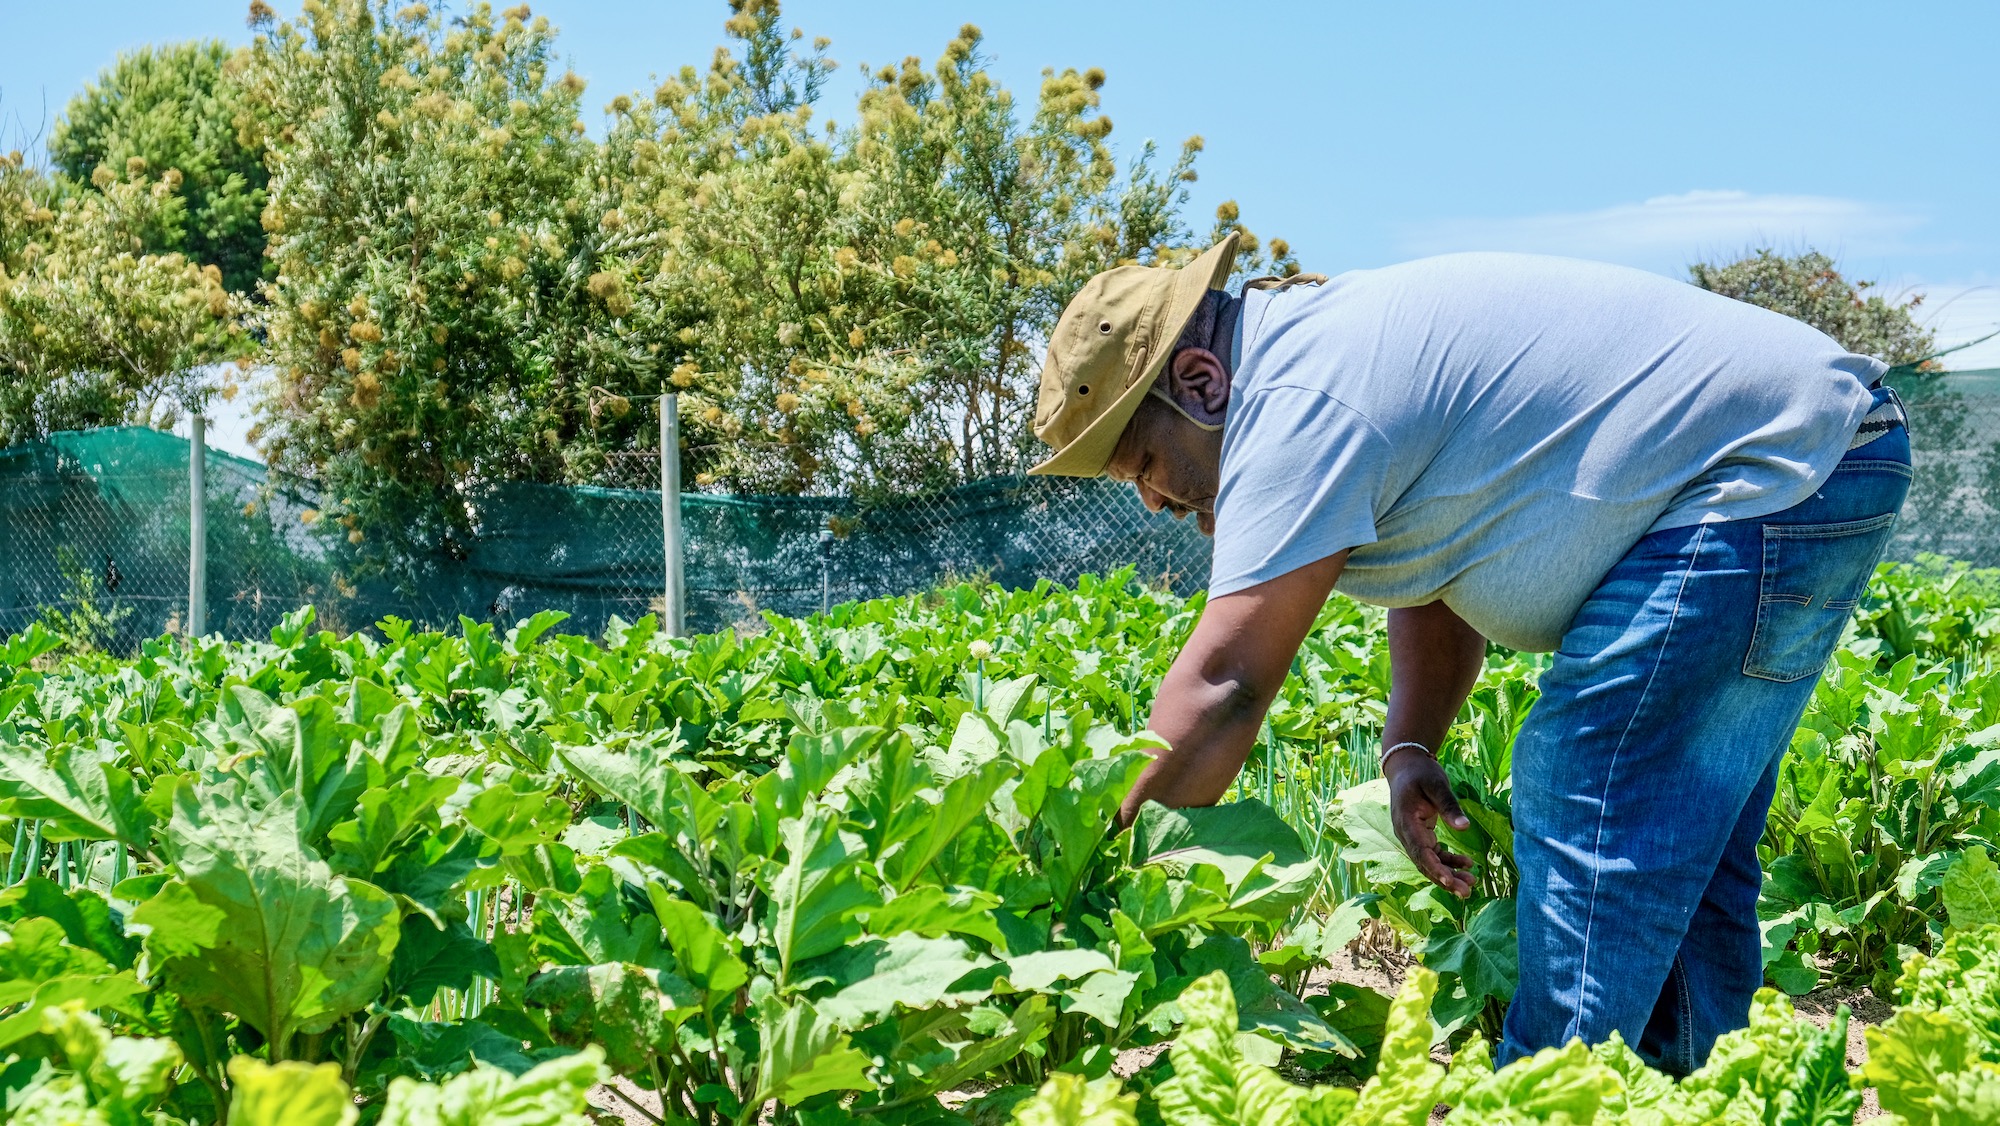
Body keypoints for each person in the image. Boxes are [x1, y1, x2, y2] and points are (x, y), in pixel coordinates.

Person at [1029, 232, 1910, 1073]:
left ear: (1200, 381)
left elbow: (1227, 683)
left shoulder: (1295, 401)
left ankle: (1547, 1099)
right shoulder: (1320, 362)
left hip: (1769, 467)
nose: (1152, 500)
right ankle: (1693, 1087)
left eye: (1141, 461)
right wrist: (1408, 744)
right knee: (1679, 834)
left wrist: (1090, 881)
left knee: (1592, 784)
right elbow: (1438, 556)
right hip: (1816, 453)